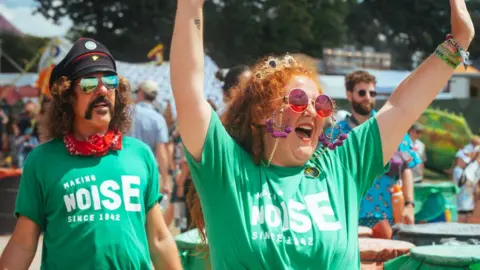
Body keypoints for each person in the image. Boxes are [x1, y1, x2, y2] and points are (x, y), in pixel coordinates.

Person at [170, 0, 474, 268]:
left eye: (322, 105)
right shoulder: (226, 170)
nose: (314, 112)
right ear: (262, 113)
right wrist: (191, 6)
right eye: (300, 101)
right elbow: (188, 92)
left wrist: (458, 43)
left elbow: (401, 106)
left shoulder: (341, 168)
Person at [0, 38, 181, 270]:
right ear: (68, 96)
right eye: (88, 84)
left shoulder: (140, 154)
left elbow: (158, 239)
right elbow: (23, 244)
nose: (102, 90)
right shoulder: (42, 160)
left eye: (109, 81)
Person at [325, 70, 420, 227]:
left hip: (389, 214)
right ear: (349, 95)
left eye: (372, 93)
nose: (368, 97)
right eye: (362, 92)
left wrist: (409, 204)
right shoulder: (335, 133)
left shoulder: (391, 127)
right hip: (347, 216)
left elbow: (407, 168)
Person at [130, 80, 172, 198]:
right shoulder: (159, 119)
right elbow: (161, 151)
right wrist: (165, 179)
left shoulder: (126, 113)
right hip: (147, 171)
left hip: (125, 167)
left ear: (141, 93)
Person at [453, 136, 480, 223]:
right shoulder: (465, 152)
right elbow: (467, 182)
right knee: (464, 212)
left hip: (470, 201)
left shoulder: (474, 160)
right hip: (464, 200)